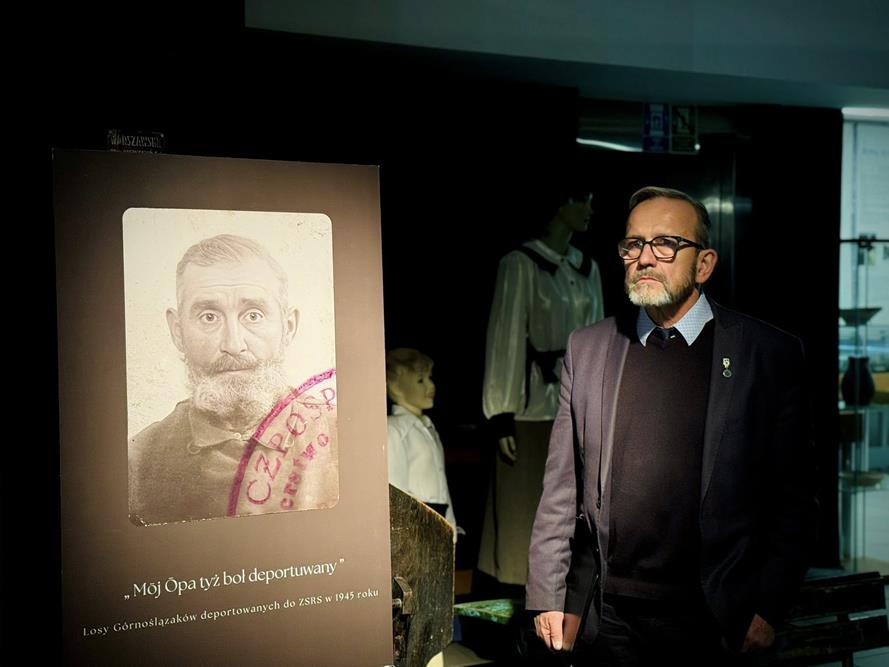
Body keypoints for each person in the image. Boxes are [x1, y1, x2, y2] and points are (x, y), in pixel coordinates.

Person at [526, 187, 818, 663]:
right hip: (611, 614)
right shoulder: (589, 347)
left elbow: (795, 502)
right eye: (633, 244)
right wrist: (546, 594)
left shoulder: (767, 354)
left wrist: (769, 608)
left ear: (703, 264)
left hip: (715, 616)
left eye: (665, 244)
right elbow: (561, 487)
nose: (644, 258)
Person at [128, 234, 338, 525]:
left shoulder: (343, 438)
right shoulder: (138, 462)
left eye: (253, 315)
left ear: (288, 327)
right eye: (209, 317)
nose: (233, 343)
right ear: (177, 331)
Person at [478, 191, 604, 587]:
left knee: (573, 505)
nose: (589, 209)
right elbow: (507, 335)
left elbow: (598, 335)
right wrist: (501, 413)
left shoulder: (587, 268)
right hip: (532, 406)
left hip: (577, 403)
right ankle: (522, 599)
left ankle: (570, 592)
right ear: (557, 203)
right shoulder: (521, 263)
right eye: (580, 199)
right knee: (526, 506)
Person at [386, 348, 458, 541]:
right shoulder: (394, 430)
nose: (430, 385)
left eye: (429, 378)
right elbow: (396, 489)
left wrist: (451, 528)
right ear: (395, 386)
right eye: (420, 380)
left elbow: (442, 484)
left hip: (438, 524)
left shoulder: (428, 429)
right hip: (416, 527)